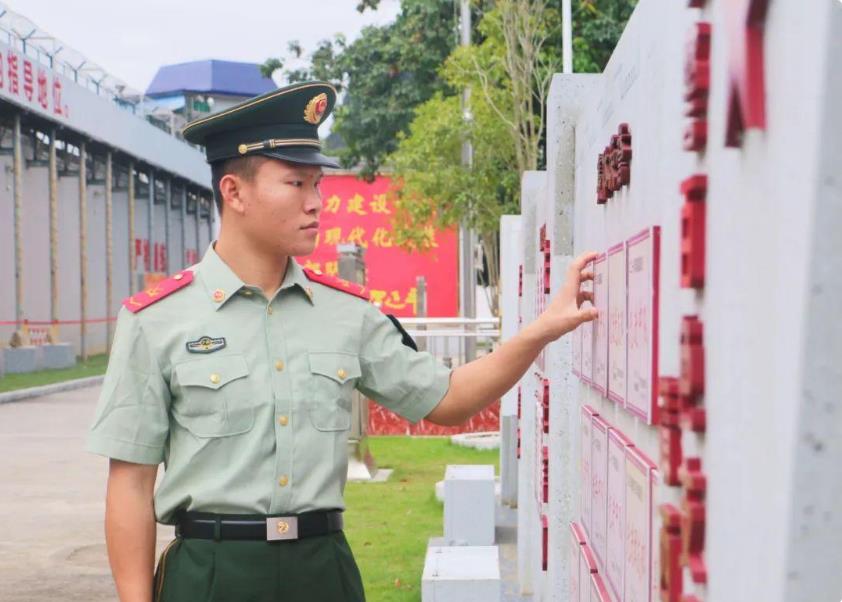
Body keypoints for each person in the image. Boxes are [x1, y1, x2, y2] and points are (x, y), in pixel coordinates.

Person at [85, 80, 598, 602]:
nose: (316, 203)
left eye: (318, 185)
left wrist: (542, 329)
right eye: (296, 184)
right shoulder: (158, 320)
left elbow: (448, 399)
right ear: (234, 192)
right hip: (211, 574)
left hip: (322, 570)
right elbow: (130, 482)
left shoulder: (345, 313)